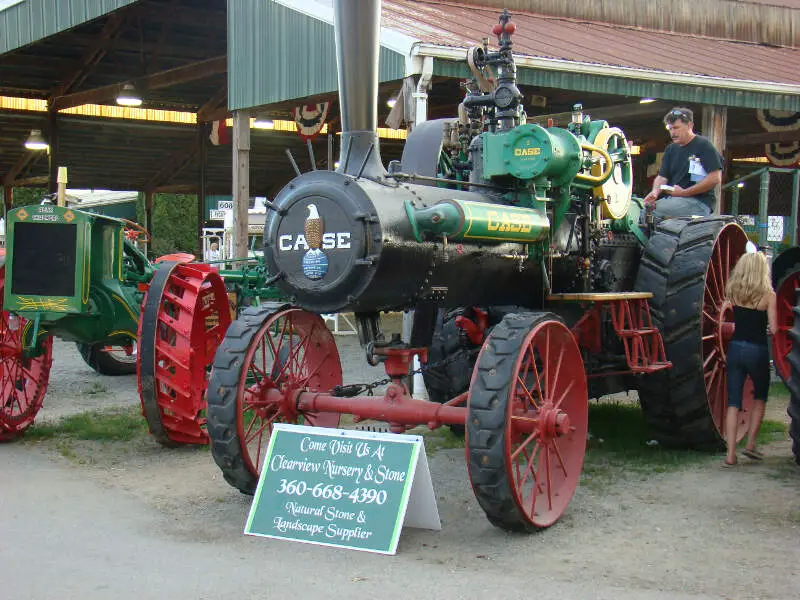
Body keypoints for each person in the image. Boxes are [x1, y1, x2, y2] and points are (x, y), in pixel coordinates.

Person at [722, 243, 777, 466]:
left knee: (733, 403)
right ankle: (751, 444)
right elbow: (773, 329)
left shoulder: (733, 291)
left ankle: (730, 455)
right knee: (759, 396)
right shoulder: (768, 295)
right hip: (757, 350)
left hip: (735, 348)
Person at [643, 107, 723, 219]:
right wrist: (655, 192)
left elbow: (715, 178)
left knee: (653, 211)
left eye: (676, 128)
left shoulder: (704, 146)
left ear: (690, 125)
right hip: (675, 200)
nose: (673, 133)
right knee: (644, 208)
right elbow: (662, 176)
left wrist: (684, 192)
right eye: (670, 129)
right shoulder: (671, 149)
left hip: (699, 202)